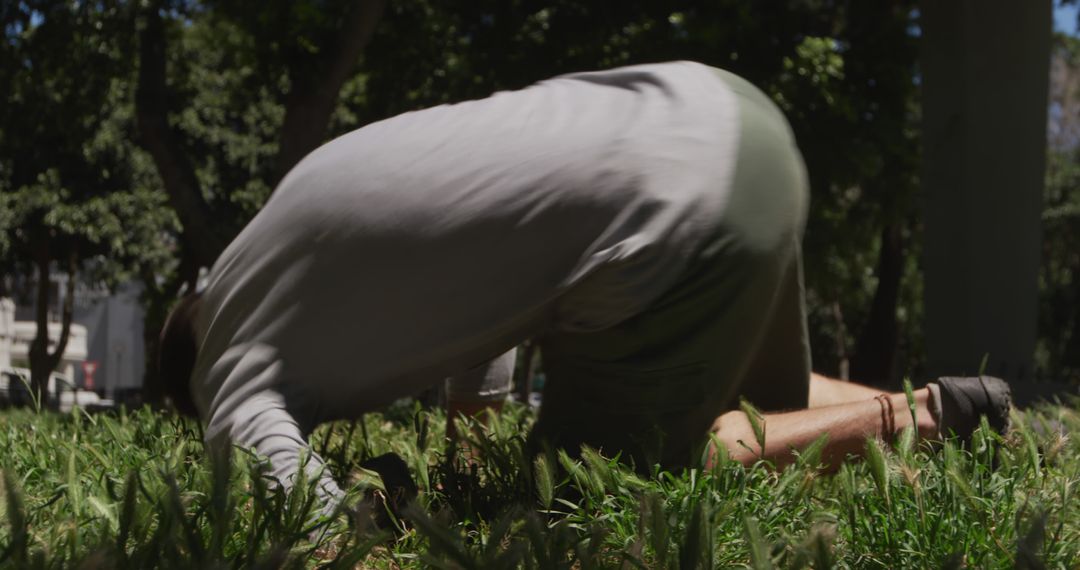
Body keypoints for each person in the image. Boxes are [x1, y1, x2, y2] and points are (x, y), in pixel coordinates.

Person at [158, 61, 1011, 506]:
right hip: (724, 113)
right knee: (767, 397)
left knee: (588, 481)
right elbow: (455, 254)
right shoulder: (287, 206)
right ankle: (992, 424)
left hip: (676, 227)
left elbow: (303, 509)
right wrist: (468, 450)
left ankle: (925, 416)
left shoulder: (222, 369)